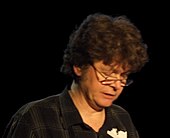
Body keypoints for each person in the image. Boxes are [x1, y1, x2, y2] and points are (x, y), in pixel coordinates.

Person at [3, 13, 149, 138]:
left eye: (123, 76)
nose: (116, 85)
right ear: (79, 65)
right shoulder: (36, 118)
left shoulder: (121, 119)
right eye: (107, 74)